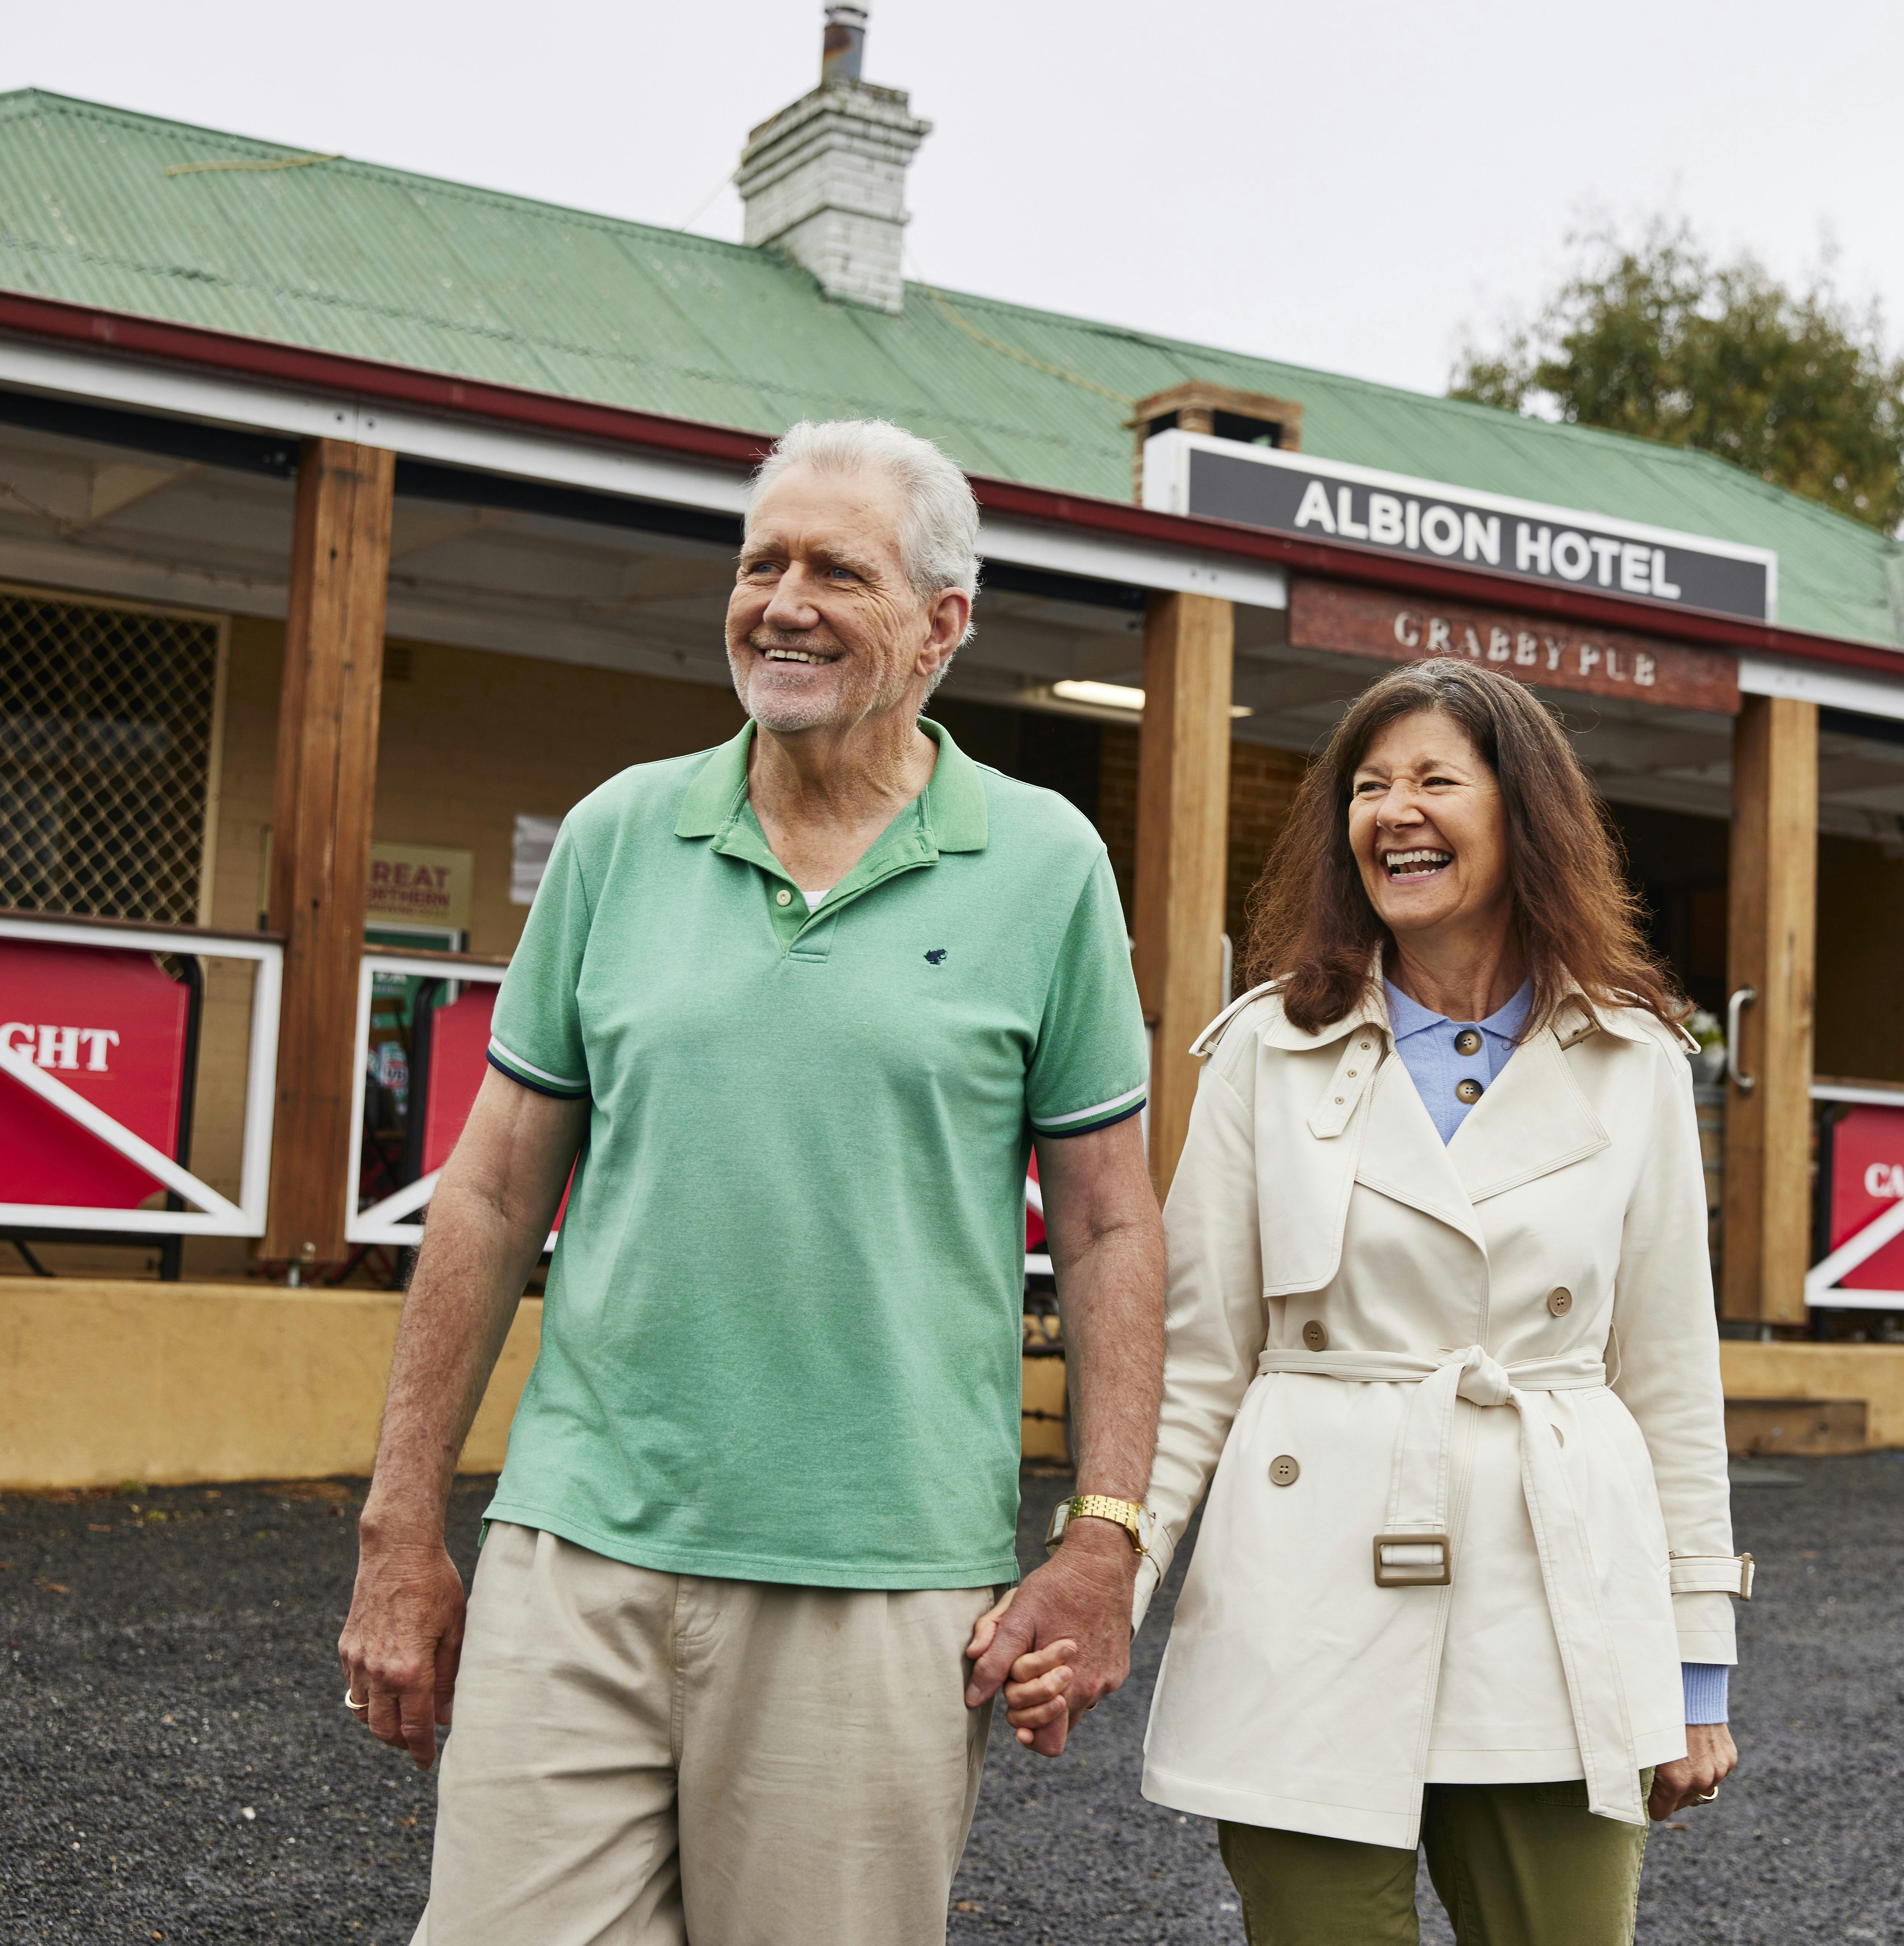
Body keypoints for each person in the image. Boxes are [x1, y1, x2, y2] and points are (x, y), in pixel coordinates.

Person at [336, 418, 1166, 1946]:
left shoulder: (1046, 866)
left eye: (835, 570)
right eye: (759, 562)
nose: (780, 600)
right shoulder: (616, 836)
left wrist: (1104, 1535)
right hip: (577, 1545)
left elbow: (1110, 1224)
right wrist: (402, 1528)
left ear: (941, 625)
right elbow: (490, 1192)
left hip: (878, 1576)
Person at [1132, 657, 1748, 1945]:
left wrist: (1695, 1667)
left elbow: (1672, 1378)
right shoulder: (1263, 1048)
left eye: (1432, 780)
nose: (1393, 810)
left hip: (1558, 1587)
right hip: (1304, 1589)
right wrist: (1106, 1581)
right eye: (1368, 786)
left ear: (1522, 815)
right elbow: (1193, 1361)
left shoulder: (1633, 1059)